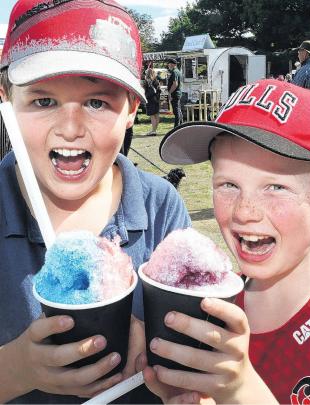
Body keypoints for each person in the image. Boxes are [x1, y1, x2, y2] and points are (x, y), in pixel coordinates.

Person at [0, 0, 191, 403]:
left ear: (131, 110)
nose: (70, 128)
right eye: (43, 101)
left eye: (97, 102)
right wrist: (16, 370)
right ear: (6, 100)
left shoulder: (160, 207)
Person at [137, 79, 310, 404]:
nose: (245, 212)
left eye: (276, 186)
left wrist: (241, 393)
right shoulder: (208, 306)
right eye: (228, 184)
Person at [143, 68, 161, 136]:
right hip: (157, 99)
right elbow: (159, 90)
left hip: (150, 99)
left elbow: (144, 90)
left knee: (152, 115)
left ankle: (153, 131)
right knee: (156, 115)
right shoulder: (156, 81)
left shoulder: (146, 81)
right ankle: (154, 130)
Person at [167, 58, 183, 128]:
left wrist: (170, 92)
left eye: (169, 64)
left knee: (176, 111)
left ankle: (176, 127)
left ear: (173, 64)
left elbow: (175, 84)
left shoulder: (174, 72)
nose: (168, 65)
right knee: (178, 110)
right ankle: (181, 124)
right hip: (177, 93)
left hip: (175, 93)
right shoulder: (178, 71)